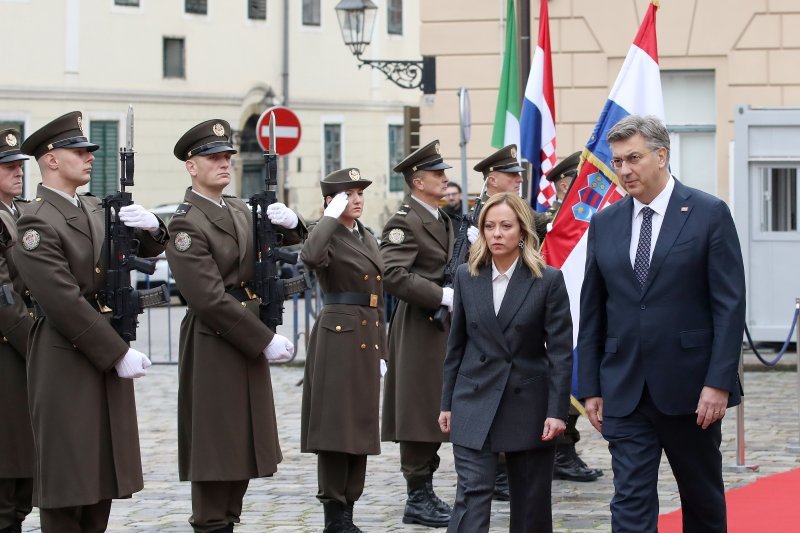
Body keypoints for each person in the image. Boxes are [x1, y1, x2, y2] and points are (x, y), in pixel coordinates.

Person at [578, 115, 746, 532]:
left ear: (661, 155)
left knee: (701, 498)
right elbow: (594, 308)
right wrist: (590, 386)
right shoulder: (605, 222)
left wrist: (719, 382)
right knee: (630, 502)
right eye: (617, 161)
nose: (624, 169)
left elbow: (729, 305)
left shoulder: (708, 213)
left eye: (633, 158)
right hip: (625, 388)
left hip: (692, 391)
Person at [15, 111, 166, 531]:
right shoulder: (35, 220)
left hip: (102, 350)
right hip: (65, 356)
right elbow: (61, 299)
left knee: (101, 479)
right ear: (50, 160)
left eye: (89, 151)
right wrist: (116, 352)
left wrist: (154, 226)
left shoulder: (97, 207)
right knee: (68, 484)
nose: (88, 158)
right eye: (78, 151)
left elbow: (146, 248)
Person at [166, 119, 305, 533]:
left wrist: (293, 222)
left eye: (227, 156)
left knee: (242, 447)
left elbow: (294, 243)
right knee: (215, 451)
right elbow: (207, 296)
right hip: (215, 341)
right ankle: (211, 524)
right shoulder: (187, 222)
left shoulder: (242, 210)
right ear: (192, 166)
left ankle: (227, 522)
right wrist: (263, 340)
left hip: (245, 338)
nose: (224, 163)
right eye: (213, 158)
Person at [439, 192, 573, 533]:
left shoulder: (548, 280)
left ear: (523, 232)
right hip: (473, 398)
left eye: (506, 226)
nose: (497, 234)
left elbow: (560, 353)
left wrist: (557, 412)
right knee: (472, 494)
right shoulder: (467, 277)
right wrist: (447, 403)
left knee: (530, 503)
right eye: (489, 226)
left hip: (527, 403)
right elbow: (456, 346)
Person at [300, 168, 387, 533]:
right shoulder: (328, 233)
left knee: (360, 424)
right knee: (337, 427)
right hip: (339, 333)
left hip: (367, 333)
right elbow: (310, 256)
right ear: (331, 200)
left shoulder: (366, 236)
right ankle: (334, 513)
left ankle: (349, 507)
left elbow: (378, 292)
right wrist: (327, 217)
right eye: (348, 194)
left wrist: (383, 349)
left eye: (359, 193)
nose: (357, 199)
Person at [381, 139, 454, 528]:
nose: (444, 178)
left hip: (441, 327)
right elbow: (392, 274)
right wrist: (442, 294)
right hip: (420, 327)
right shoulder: (404, 220)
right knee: (419, 409)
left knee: (434, 406)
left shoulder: (440, 218)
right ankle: (418, 494)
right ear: (417, 180)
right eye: (437, 173)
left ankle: (427, 490)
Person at [542, 152, 603, 483]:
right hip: (560, 309)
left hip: (585, 306)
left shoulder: (593, 218)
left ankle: (567, 450)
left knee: (581, 376)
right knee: (561, 377)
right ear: (565, 184)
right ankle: (560, 451)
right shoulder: (552, 222)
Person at [0, 129, 34, 533]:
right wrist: (38, 343)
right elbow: (3, 297)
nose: (17, 172)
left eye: (18, 166)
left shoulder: (19, 213)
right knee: (8, 468)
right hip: (9, 351)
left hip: (22, 350)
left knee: (24, 464)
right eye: (7, 167)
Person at [475, 144, 548, 245]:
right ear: (493, 181)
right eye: (513, 175)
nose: (520, 179)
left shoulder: (521, 205)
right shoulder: (478, 214)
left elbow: (546, 224)